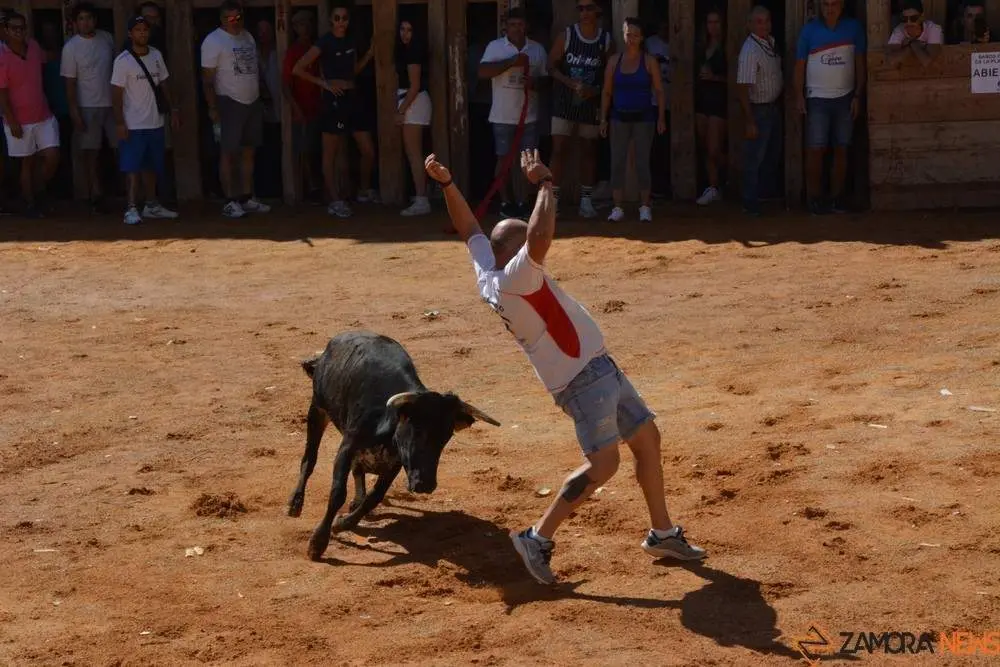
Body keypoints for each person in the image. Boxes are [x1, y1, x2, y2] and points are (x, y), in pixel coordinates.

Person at [423, 149, 707, 585]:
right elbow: (539, 236)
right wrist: (545, 184)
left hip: (598, 368)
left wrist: (447, 185)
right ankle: (537, 536)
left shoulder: (489, 271)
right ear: (515, 254)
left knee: (647, 438)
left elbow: (469, 230)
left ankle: (663, 532)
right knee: (605, 465)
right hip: (582, 380)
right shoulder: (520, 275)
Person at [293, 3, 377, 219]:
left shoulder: (350, 41)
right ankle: (335, 200)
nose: (341, 22)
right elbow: (298, 68)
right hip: (334, 100)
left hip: (353, 97)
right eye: (337, 18)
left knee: (367, 150)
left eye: (344, 18)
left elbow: (353, 71)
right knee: (331, 153)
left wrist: (369, 55)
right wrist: (324, 84)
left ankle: (363, 191)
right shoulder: (325, 42)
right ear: (331, 21)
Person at [794, 0, 866, 215]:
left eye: (834, 4)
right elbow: (799, 66)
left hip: (845, 98)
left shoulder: (854, 28)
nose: (829, 8)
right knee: (815, 150)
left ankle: (837, 198)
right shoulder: (809, 31)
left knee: (841, 148)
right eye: (825, 4)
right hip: (817, 99)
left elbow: (860, 64)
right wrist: (799, 95)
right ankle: (814, 199)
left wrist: (858, 95)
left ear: (842, 6)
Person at [201, 0, 272, 218]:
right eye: (230, 18)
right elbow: (207, 80)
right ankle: (229, 200)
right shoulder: (213, 41)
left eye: (238, 17)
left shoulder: (248, 36)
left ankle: (246, 196)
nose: (235, 22)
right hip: (229, 101)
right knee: (228, 152)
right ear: (222, 19)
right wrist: (212, 107)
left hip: (252, 101)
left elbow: (256, 69)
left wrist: (263, 95)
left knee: (249, 150)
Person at [478, 8, 548, 219]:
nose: (517, 28)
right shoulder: (495, 47)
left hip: (529, 116)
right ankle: (506, 203)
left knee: (527, 162)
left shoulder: (537, 49)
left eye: (520, 24)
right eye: (513, 24)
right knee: (503, 161)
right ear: (505, 27)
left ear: (526, 26)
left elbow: (547, 79)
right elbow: (482, 72)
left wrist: (536, 83)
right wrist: (511, 62)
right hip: (502, 116)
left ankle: (523, 202)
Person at [111, 15, 179, 225]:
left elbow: (165, 84)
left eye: (145, 30)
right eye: (138, 30)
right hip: (134, 123)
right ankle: (131, 207)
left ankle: (151, 204)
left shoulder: (156, 55)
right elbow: (116, 94)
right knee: (132, 167)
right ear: (130, 34)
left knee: (152, 166)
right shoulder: (123, 61)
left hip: (155, 121)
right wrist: (120, 122)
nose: (142, 33)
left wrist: (173, 109)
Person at [547, 2, 613, 219]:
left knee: (589, 149)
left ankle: (586, 200)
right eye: (581, 8)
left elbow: (609, 74)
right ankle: (553, 201)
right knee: (559, 150)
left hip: (590, 103)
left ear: (598, 11)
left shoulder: (605, 40)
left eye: (589, 8)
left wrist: (594, 91)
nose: (584, 13)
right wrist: (569, 82)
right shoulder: (566, 36)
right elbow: (550, 66)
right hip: (564, 102)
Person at [599, 18, 666, 223]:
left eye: (636, 35)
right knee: (617, 161)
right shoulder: (614, 61)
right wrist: (603, 118)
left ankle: (645, 206)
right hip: (619, 117)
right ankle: (617, 207)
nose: (632, 39)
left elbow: (659, 91)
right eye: (628, 34)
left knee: (642, 162)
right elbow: (607, 91)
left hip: (644, 118)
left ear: (642, 37)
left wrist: (661, 117)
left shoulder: (649, 61)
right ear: (623, 35)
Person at [0, 11, 59, 218]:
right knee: (27, 162)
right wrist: (12, 120)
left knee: (52, 156)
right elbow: (2, 94)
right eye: (14, 28)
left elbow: (47, 58)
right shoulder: (2, 58)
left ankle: (38, 191)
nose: (19, 32)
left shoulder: (33, 47)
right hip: (19, 120)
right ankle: (31, 202)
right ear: (6, 31)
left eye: (22, 28)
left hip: (43, 115)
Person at [61, 2, 116, 213]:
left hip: (111, 103)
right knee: (91, 153)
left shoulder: (106, 38)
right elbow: (70, 83)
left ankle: (127, 193)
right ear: (75, 23)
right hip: (87, 105)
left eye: (89, 18)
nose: (86, 22)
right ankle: (95, 194)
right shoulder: (71, 48)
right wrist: (74, 110)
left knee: (119, 148)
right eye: (81, 19)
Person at [736, 6, 783, 217]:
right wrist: (749, 120)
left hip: (772, 107)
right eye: (758, 22)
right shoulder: (750, 50)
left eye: (766, 21)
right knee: (754, 158)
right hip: (759, 109)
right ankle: (749, 200)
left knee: (770, 155)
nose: (763, 25)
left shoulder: (770, 43)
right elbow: (743, 87)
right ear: (750, 24)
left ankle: (762, 195)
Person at [282, 10, 321, 200]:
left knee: (318, 147)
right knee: (304, 149)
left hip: (320, 105)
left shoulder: (317, 47)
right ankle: (310, 188)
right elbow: (286, 86)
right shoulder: (293, 52)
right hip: (303, 107)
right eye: (299, 24)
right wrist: (296, 109)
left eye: (306, 23)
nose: (303, 28)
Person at [395, 18, 432, 217]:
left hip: (413, 101)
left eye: (409, 30)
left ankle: (421, 199)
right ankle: (419, 196)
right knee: (413, 152)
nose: (405, 33)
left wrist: (400, 111)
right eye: (402, 29)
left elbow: (415, 85)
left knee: (414, 153)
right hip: (410, 101)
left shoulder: (413, 52)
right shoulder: (407, 50)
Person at [694, 9, 728, 207]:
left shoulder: (727, 46)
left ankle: (734, 170)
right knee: (705, 147)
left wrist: (714, 77)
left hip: (719, 101)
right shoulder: (701, 46)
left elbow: (732, 77)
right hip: (702, 100)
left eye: (716, 22)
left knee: (715, 149)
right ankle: (713, 187)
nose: (713, 26)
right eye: (710, 22)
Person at [645, 18, 672, 200]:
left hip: (675, 102)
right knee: (655, 147)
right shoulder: (650, 43)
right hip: (653, 102)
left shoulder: (679, 42)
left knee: (670, 146)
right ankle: (656, 188)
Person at [887, 0, 944, 66]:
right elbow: (891, 60)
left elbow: (927, 61)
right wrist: (912, 46)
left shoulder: (933, 29)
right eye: (905, 19)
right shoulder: (899, 30)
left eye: (913, 18)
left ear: (922, 17)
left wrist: (912, 44)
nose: (908, 22)